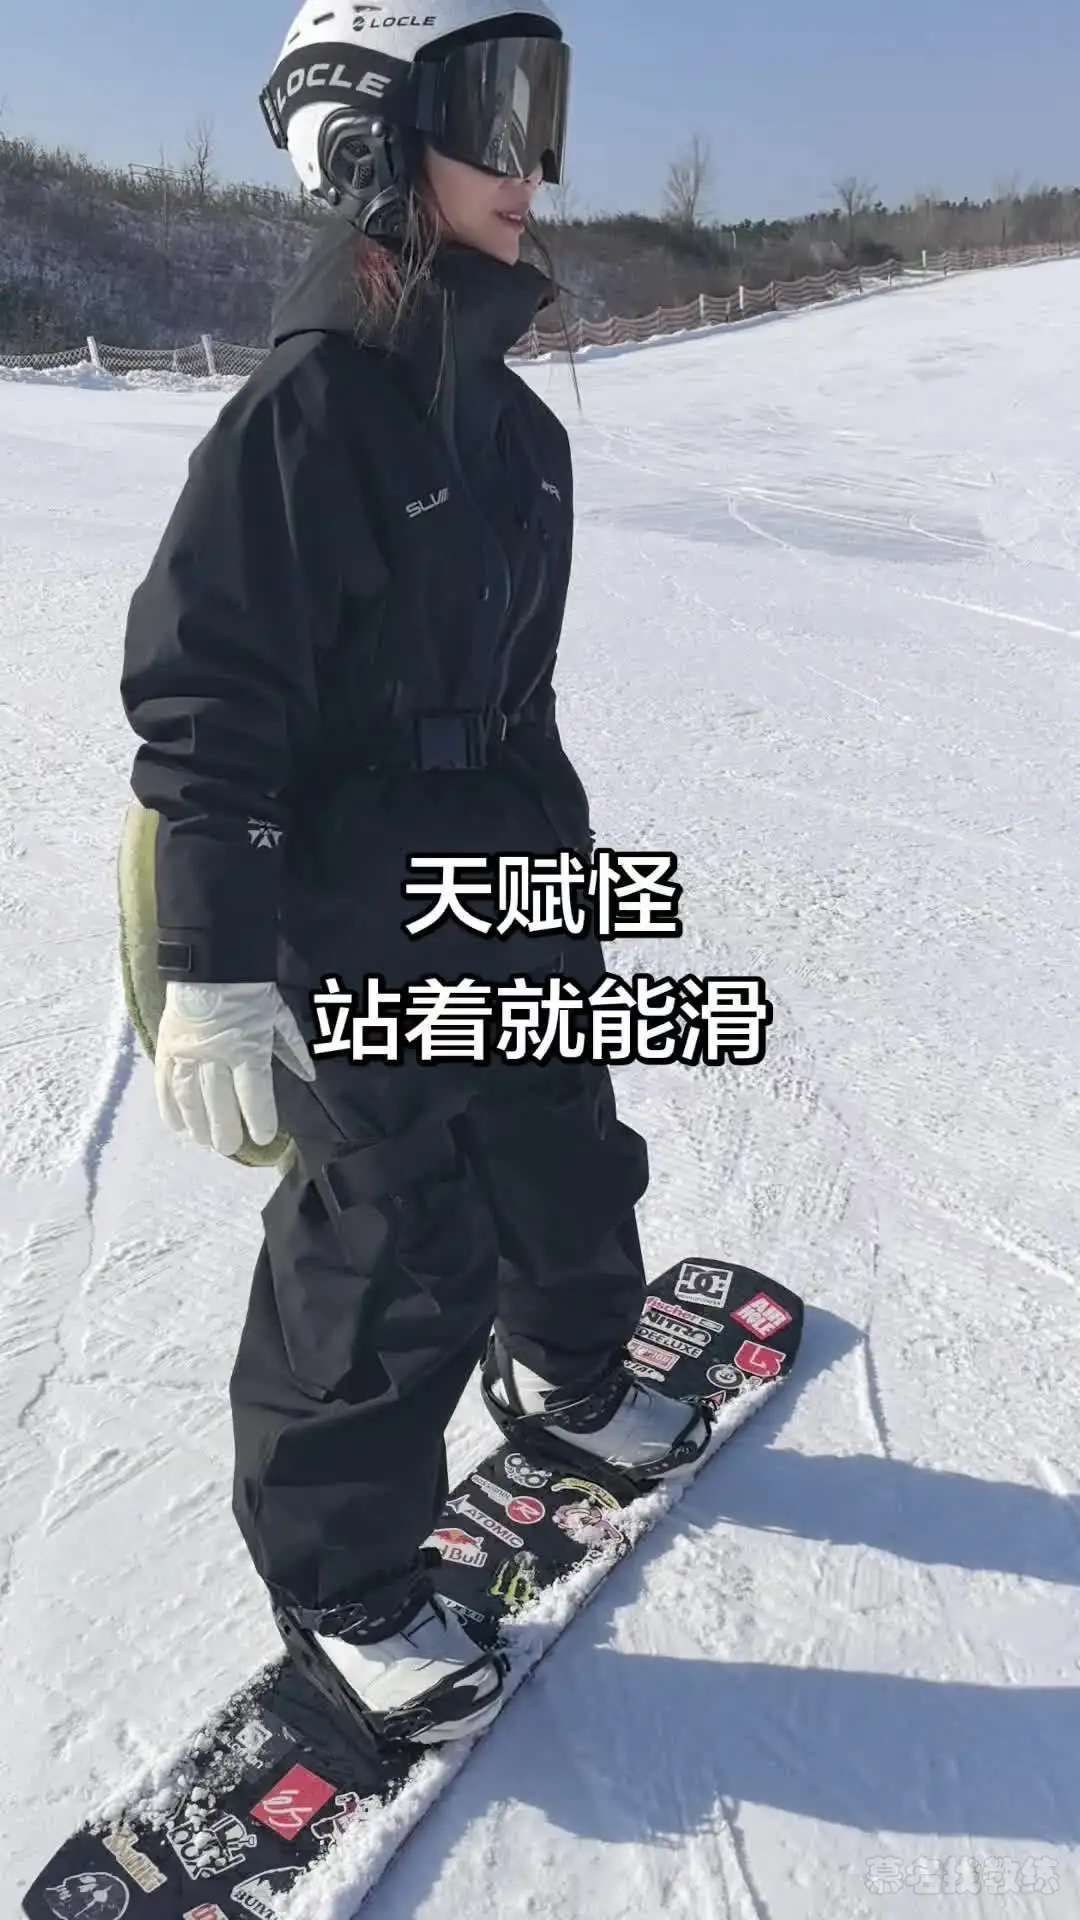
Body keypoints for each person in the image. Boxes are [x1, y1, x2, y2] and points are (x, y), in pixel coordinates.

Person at [120, 0, 710, 1749]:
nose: (532, 169)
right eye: (490, 119)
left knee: (561, 1133)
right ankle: (347, 1581)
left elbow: (515, 692)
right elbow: (210, 704)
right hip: (351, 887)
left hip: (507, 856)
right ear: (372, 147)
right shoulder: (304, 416)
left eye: (542, 116)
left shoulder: (515, 431)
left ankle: (572, 1370)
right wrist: (214, 965)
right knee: (393, 1232)